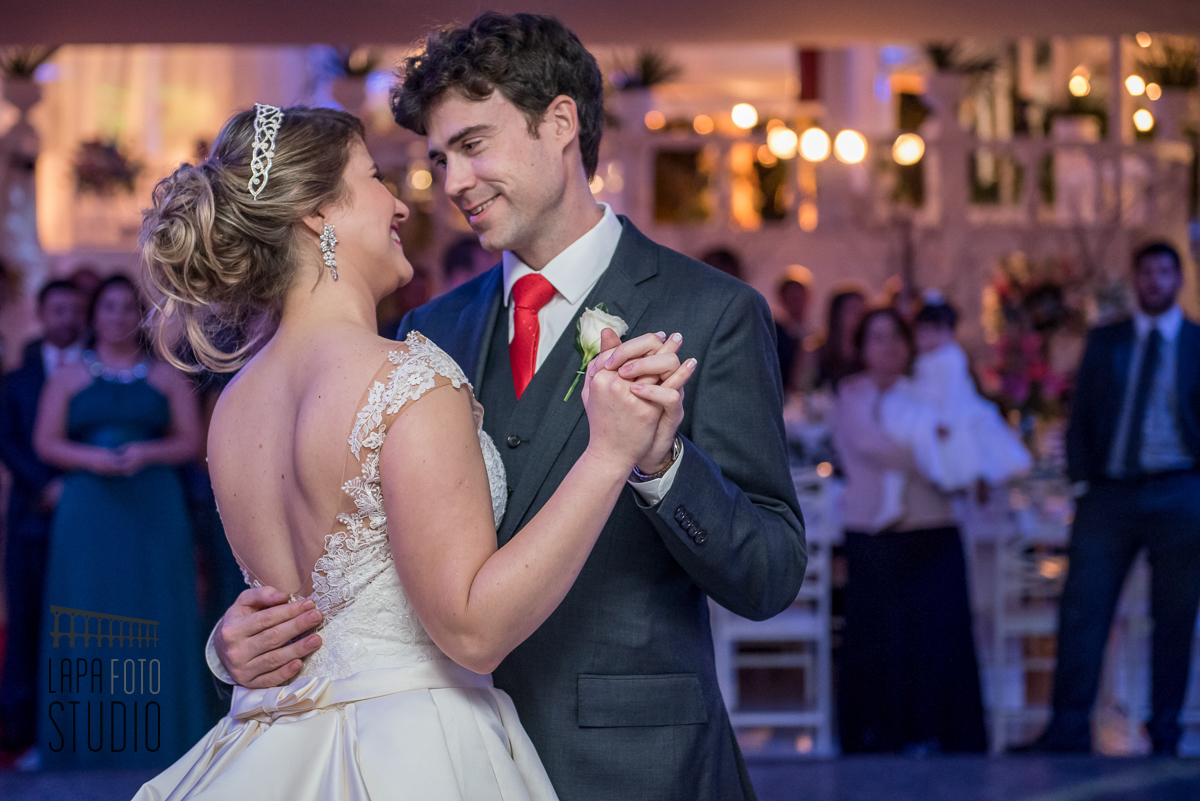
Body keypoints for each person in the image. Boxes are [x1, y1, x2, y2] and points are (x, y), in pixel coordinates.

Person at [208, 14, 806, 801]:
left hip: (632, 763)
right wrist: (234, 640)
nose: (451, 183)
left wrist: (659, 464)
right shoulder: (429, 330)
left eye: (473, 145)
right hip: (437, 760)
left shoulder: (712, 310)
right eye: (437, 157)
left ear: (559, 123)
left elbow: (767, 573)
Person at [132, 99, 693, 800]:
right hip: (414, 750)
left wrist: (226, 650)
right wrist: (610, 454)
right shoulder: (407, 381)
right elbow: (473, 630)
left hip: (270, 749)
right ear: (316, 214)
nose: (400, 205)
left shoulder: (234, 402)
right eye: (375, 177)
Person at [1016, 242, 1200, 756]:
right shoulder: (1107, 341)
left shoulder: (1196, 342)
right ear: (1136, 279)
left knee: (1175, 617)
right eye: (1146, 272)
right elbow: (1081, 419)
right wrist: (1081, 482)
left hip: (1180, 490)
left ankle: (1164, 732)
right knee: (1083, 610)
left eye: (1165, 272)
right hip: (1109, 494)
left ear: (1178, 280)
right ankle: (1068, 730)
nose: (1155, 281)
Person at [32, 274, 209, 769]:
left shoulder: (166, 375)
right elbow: (45, 441)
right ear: (95, 315)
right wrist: (92, 459)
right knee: (87, 615)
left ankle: (163, 735)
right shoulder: (67, 376)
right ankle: (87, 742)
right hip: (88, 511)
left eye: (127, 308)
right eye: (108, 308)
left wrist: (146, 451)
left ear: (141, 317)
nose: (118, 317)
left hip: (153, 506)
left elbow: (191, 443)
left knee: (155, 614)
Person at [833, 307, 987, 754]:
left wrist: (951, 452)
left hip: (934, 528)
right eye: (877, 338)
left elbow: (965, 432)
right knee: (877, 639)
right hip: (873, 534)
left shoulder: (929, 391)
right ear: (862, 347)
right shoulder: (851, 394)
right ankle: (878, 735)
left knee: (939, 638)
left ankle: (945, 735)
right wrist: (941, 455)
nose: (888, 347)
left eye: (896, 337)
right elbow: (871, 445)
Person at [0, 280, 85, 756]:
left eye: (74, 310)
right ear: (41, 313)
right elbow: (7, 441)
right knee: (28, 618)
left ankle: (73, 721)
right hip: (32, 516)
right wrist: (46, 486)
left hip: (88, 515)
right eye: (58, 310)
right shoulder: (16, 380)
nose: (66, 319)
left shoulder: (96, 371)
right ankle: (19, 725)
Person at [872, 291, 1032, 528]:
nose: (926, 338)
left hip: (951, 417)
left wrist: (940, 420)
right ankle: (893, 501)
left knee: (948, 457)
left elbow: (950, 394)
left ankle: (897, 501)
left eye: (933, 331)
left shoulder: (948, 358)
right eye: (922, 332)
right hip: (934, 414)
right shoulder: (928, 359)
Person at [774, 264, 815, 393]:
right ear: (781, 298)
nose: (795, 298)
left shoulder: (816, 337)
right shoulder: (773, 333)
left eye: (799, 293)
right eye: (789, 294)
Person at [816, 287, 866, 390]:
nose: (859, 315)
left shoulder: (871, 353)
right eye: (853, 309)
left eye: (863, 310)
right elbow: (799, 392)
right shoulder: (815, 354)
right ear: (837, 315)